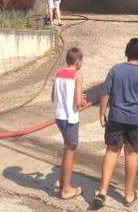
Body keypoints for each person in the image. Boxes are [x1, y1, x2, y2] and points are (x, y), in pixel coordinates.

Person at [94, 38, 138, 208]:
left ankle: (102, 191)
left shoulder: (115, 70)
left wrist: (102, 113)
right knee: (132, 154)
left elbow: (105, 93)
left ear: (126, 53)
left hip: (116, 117)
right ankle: (129, 195)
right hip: (137, 120)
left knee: (112, 152)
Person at [51, 47, 88, 200]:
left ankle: (60, 181)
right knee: (70, 152)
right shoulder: (77, 76)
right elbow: (79, 102)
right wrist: (84, 101)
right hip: (70, 118)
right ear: (78, 62)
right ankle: (67, 189)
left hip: (59, 116)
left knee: (67, 149)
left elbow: (53, 96)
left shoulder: (59, 73)